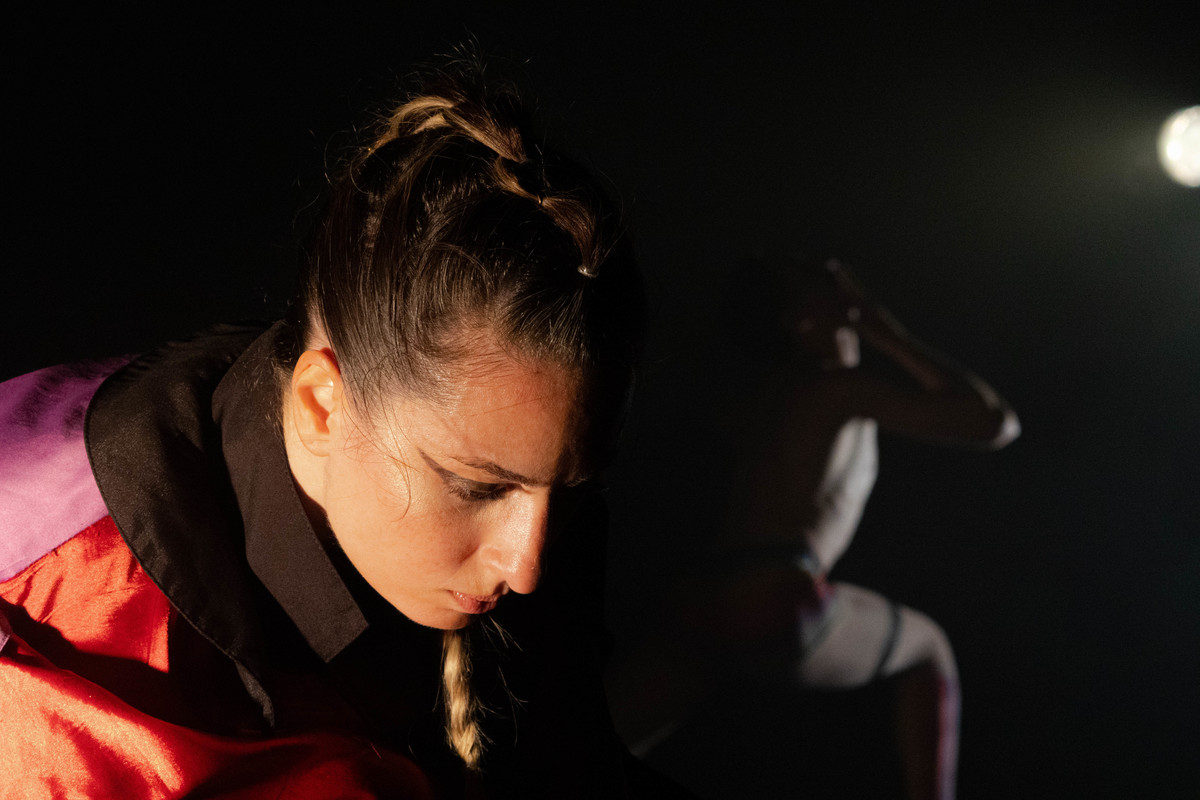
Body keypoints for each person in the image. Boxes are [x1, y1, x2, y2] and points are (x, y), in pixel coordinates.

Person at [0, 58, 684, 799]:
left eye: (573, 490)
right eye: (475, 487)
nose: (526, 567)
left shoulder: (530, 489)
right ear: (322, 405)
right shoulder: (56, 637)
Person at [608, 259, 1019, 800]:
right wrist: (885, 330)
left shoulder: (768, 397)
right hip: (773, 597)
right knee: (929, 648)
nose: (849, 297)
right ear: (799, 319)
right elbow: (993, 422)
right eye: (829, 290)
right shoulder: (834, 388)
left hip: (700, 602)